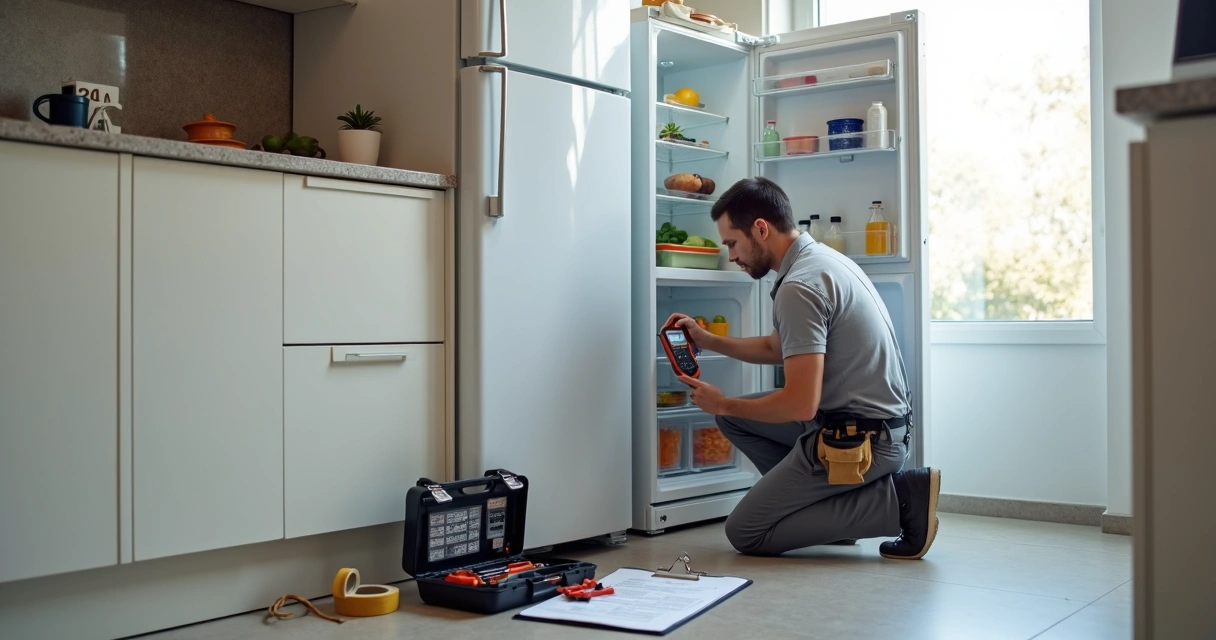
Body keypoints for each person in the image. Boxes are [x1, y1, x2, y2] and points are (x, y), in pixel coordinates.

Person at [666, 177, 940, 559]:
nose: (731, 256)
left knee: (746, 532)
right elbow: (777, 348)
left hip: (862, 441)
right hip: (878, 428)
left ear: (760, 229)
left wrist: (723, 403)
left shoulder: (799, 286)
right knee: (737, 420)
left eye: (732, 243)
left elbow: (799, 405)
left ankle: (900, 500)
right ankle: (829, 511)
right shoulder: (819, 260)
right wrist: (708, 340)